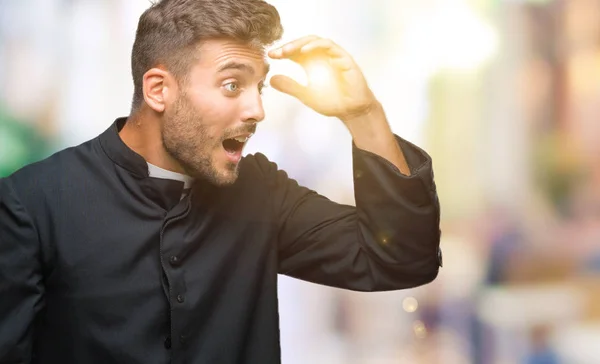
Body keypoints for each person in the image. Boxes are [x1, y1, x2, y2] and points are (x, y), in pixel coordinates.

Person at [0, 0, 442, 363]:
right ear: (158, 89)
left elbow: (400, 259)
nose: (256, 110)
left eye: (260, 88)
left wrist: (362, 115)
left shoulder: (262, 191)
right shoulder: (33, 204)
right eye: (233, 85)